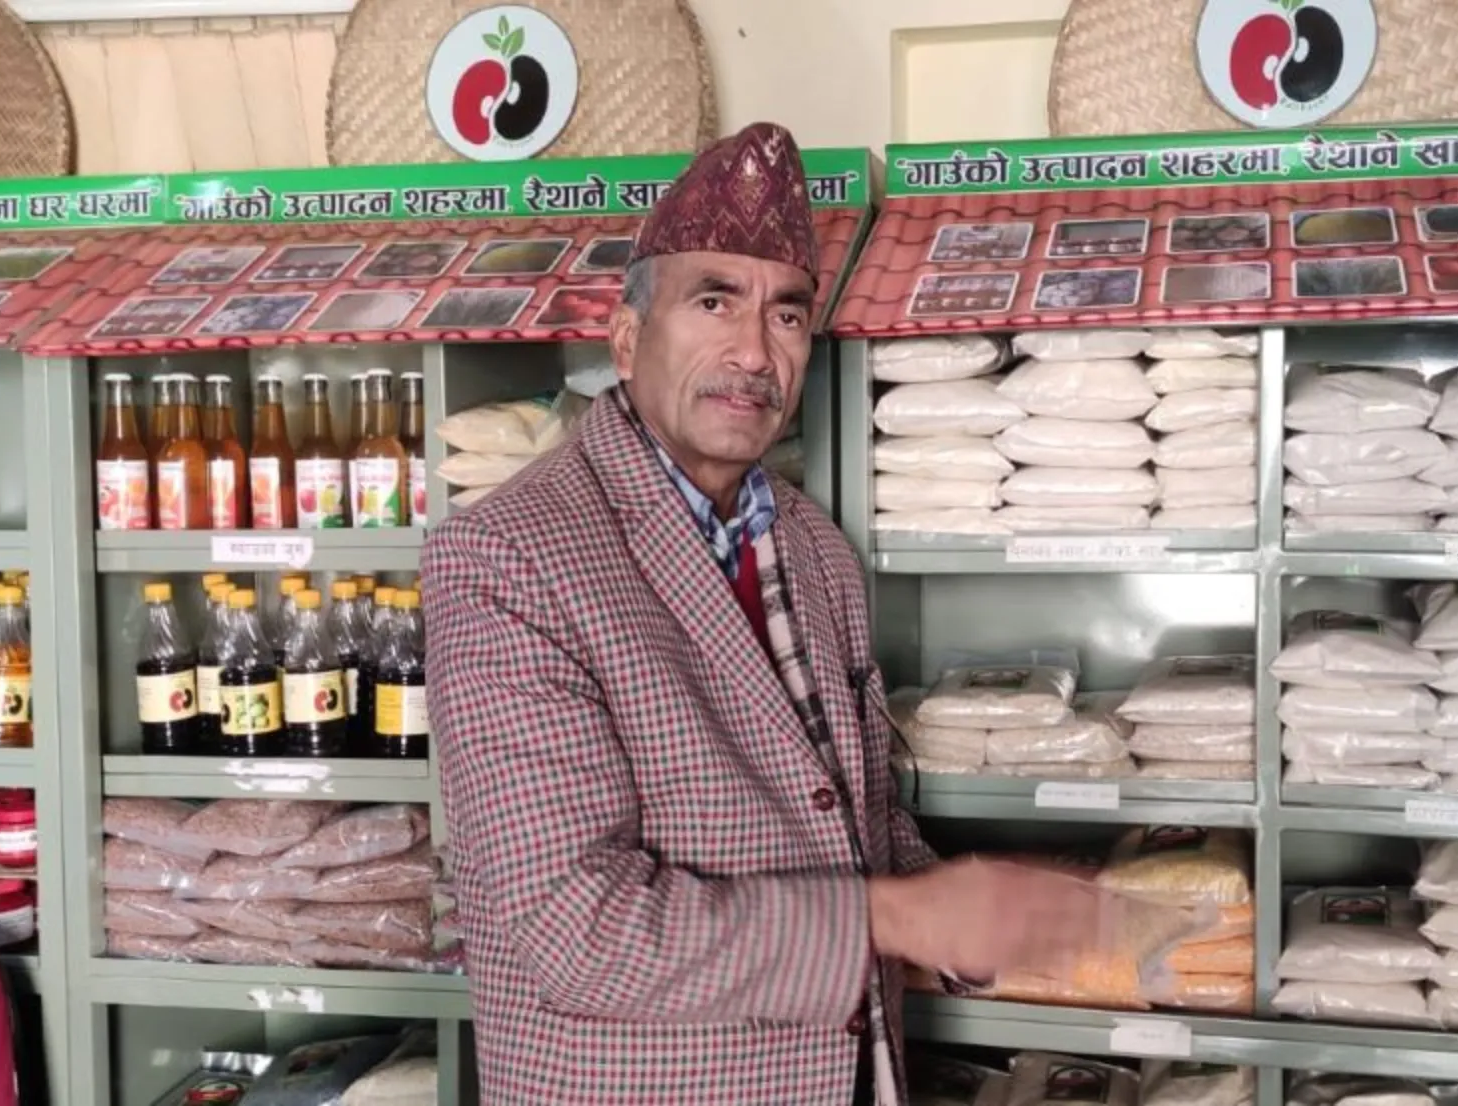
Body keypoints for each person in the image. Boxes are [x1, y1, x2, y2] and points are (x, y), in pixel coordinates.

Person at [422, 123, 1116, 1105]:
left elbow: (845, 812)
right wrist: (904, 918)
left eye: (787, 315)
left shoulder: (811, 543)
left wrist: (1000, 906)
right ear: (627, 339)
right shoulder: (511, 557)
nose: (754, 349)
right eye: (714, 301)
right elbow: (576, 930)